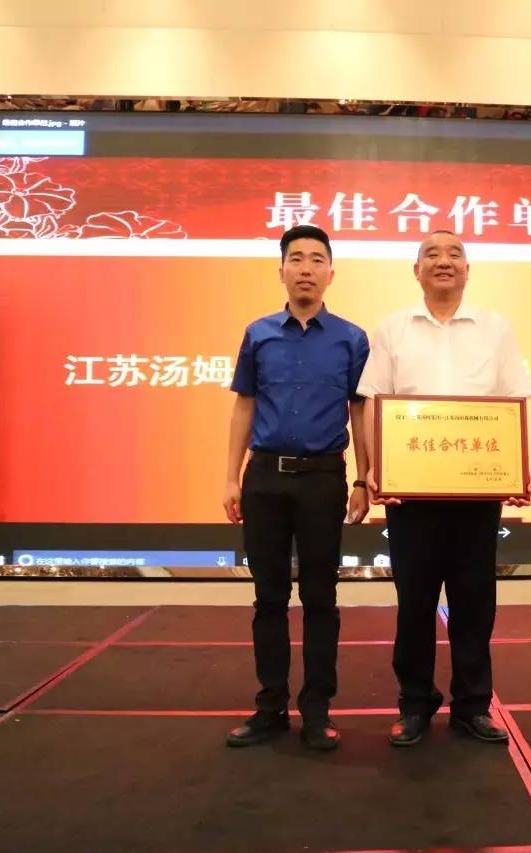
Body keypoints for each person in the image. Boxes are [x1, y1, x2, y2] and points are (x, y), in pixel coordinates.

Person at [357, 230, 531, 746]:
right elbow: (372, 401)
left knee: (474, 602)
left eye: (454, 253)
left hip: (476, 495)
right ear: (416, 271)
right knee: (414, 604)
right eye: (431, 254)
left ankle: (472, 706)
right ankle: (415, 704)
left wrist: (522, 467)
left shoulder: (494, 329)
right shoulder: (393, 328)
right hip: (409, 496)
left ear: (467, 270)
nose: (444, 261)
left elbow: (515, 401)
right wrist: (374, 469)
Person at [223, 224, 371, 751]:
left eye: (316, 259)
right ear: (281, 270)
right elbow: (244, 405)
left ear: (331, 273)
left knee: (320, 597)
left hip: (323, 479)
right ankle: (269, 708)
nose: (306, 268)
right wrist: (231, 476)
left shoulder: (352, 339)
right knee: (268, 598)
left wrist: (363, 477)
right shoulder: (258, 334)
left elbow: (360, 412)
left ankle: (316, 709)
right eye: (297, 259)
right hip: (264, 477)